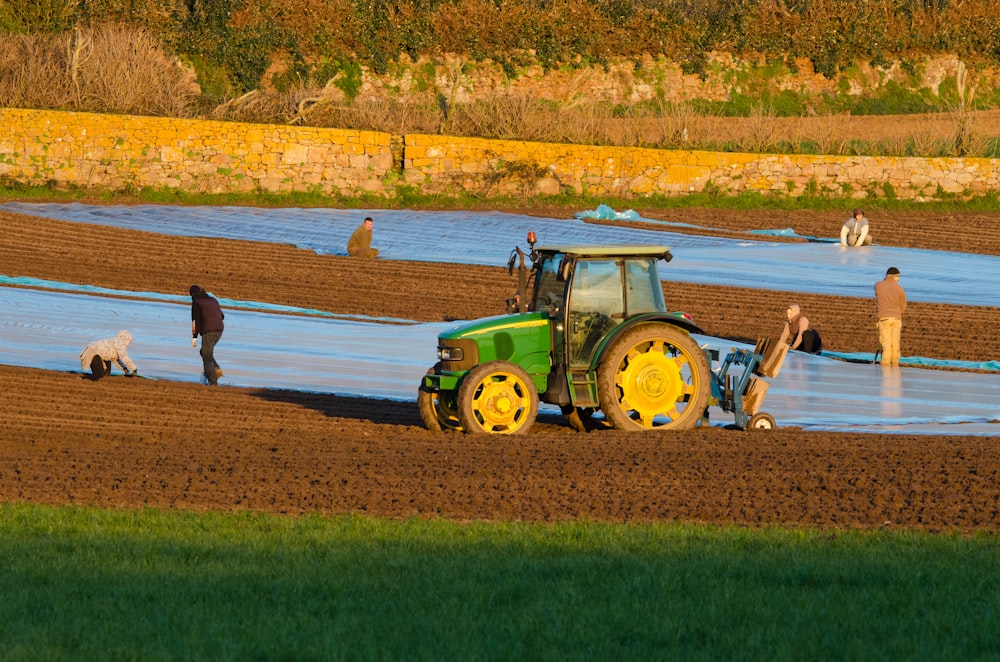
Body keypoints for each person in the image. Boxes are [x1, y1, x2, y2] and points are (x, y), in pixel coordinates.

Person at [190, 284, 225, 385]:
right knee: (205, 352)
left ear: (193, 294)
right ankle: (216, 369)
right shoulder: (213, 300)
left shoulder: (196, 303)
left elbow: (195, 321)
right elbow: (222, 316)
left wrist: (194, 336)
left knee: (206, 355)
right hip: (220, 330)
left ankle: (212, 381)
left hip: (209, 331)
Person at [874, 266, 906, 366]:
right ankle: (895, 362)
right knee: (895, 342)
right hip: (896, 318)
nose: (899, 279)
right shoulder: (900, 288)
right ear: (894, 276)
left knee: (886, 343)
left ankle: (886, 364)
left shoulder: (878, 285)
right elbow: (903, 305)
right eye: (898, 277)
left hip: (884, 318)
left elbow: (877, 293)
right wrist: (897, 313)